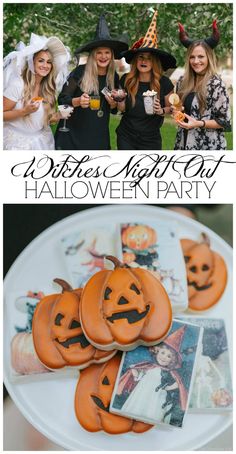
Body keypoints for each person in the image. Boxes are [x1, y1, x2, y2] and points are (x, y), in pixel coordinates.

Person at [55, 14, 128, 150]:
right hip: (73, 135)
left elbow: (113, 110)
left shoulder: (114, 77)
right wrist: (77, 101)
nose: (103, 56)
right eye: (99, 52)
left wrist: (113, 104)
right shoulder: (80, 72)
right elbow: (62, 99)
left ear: (112, 55)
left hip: (98, 136)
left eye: (107, 52)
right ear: (93, 55)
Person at [116, 11, 177, 150]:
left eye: (149, 58)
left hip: (151, 139)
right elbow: (122, 108)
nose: (144, 61)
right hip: (126, 136)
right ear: (136, 60)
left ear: (154, 62)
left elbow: (172, 109)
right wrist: (119, 100)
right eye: (141, 57)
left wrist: (161, 110)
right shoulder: (126, 79)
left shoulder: (164, 83)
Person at [3, 33, 70, 150]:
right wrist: (24, 111)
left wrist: (57, 116)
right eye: (41, 61)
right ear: (32, 62)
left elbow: (43, 121)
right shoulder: (18, 84)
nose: (45, 65)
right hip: (16, 144)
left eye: (49, 62)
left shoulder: (49, 89)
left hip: (42, 142)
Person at [174, 20, 231, 150]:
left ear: (208, 58)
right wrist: (176, 111)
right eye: (192, 57)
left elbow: (225, 121)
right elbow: (179, 108)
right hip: (183, 143)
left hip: (208, 146)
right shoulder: (182, 81)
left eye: (201, 56)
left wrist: (198, 123)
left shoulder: (216, 84)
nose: (196, 61)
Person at [117, 326, 188, 425]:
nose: (164, 357)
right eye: (163, 353)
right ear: (157, 351)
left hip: (157, 398)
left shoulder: (170, 373)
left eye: (169, 356)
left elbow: (178, 384)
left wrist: (167, 388)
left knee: (153, 414)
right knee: (136, 410)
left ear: (172, 360)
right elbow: (139, 378)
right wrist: (134, 371)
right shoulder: (149, 366)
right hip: (141, 395)